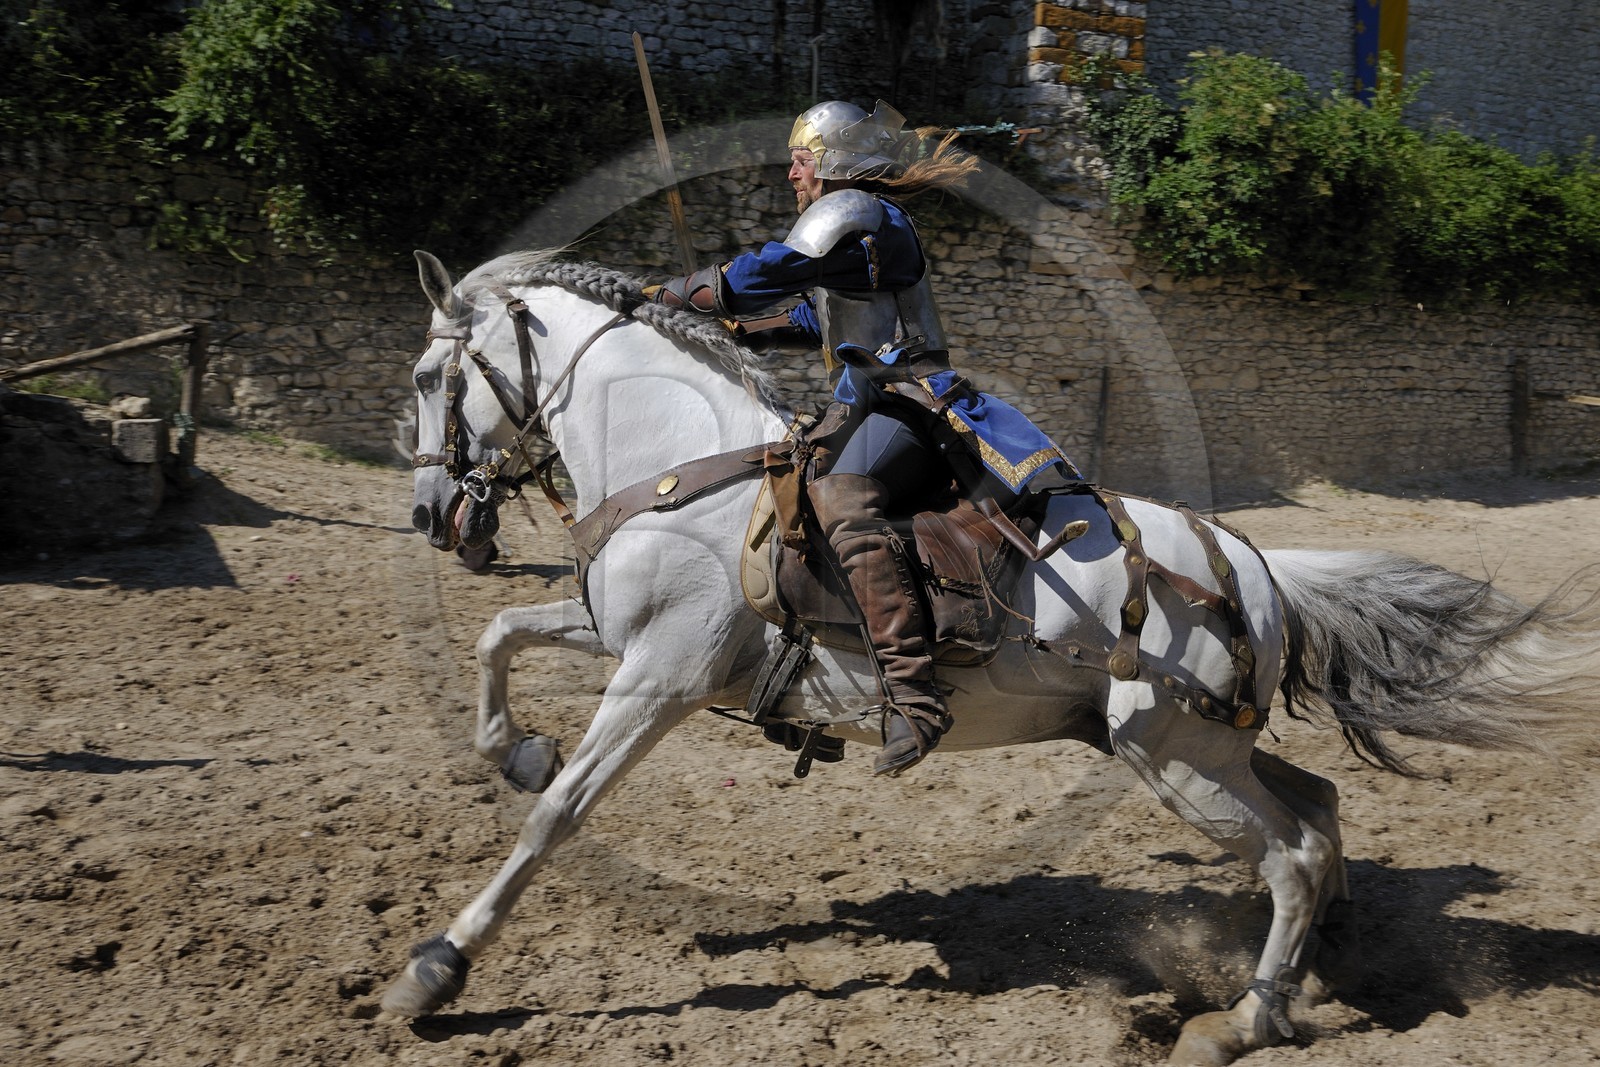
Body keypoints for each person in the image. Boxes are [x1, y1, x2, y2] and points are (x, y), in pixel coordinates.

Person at [651, 100, 1074, 775]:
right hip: (865, 401)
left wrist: (682, 293)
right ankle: (811, 672)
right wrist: (737, 327)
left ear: (837, 162)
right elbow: (811, 316)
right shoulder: (851, 236)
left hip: (911, 401)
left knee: (844, 498)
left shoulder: (858, 214)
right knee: (783, 488)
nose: (792, 172)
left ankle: (914, 696)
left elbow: (767, 273)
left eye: (803, 159)